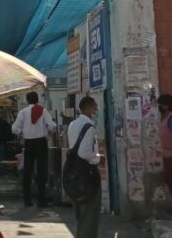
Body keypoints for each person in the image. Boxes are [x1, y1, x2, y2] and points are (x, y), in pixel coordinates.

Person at [12, 92, 56, 207]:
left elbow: (14, 128)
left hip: (29, 143)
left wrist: (21, 132)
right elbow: (52, 125)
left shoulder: (23, 112)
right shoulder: (43, 111)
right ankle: (41, 200)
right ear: (37, 100)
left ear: (27, 100)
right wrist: (48, 131)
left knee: (27, 171)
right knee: (42, 171)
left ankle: (27, 200)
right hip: (41, 143)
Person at [68, 96, 102, 238]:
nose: (96, 110)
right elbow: (85, 152)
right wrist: (99, 158)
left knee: (80, 212)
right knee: (90, 212)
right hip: (88, 173)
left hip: (74, 173)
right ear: (88, 107)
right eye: (94, 107)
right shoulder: (89, 126)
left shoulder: (73, 124)